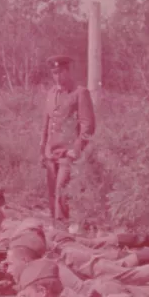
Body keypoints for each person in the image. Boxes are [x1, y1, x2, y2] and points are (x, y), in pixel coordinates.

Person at [40, 56, 95, 223]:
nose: (57, 77)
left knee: (62, 192)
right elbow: (46, 123)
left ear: (68, 71)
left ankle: (64, 230)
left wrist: (76, 150)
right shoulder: (50, 94)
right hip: (51, 152)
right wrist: (42, 149)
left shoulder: (80, 93)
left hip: (67, 153)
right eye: (54, 73)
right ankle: (55, 229)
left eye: (60, 72)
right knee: (52, 194)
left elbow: (88, 126)